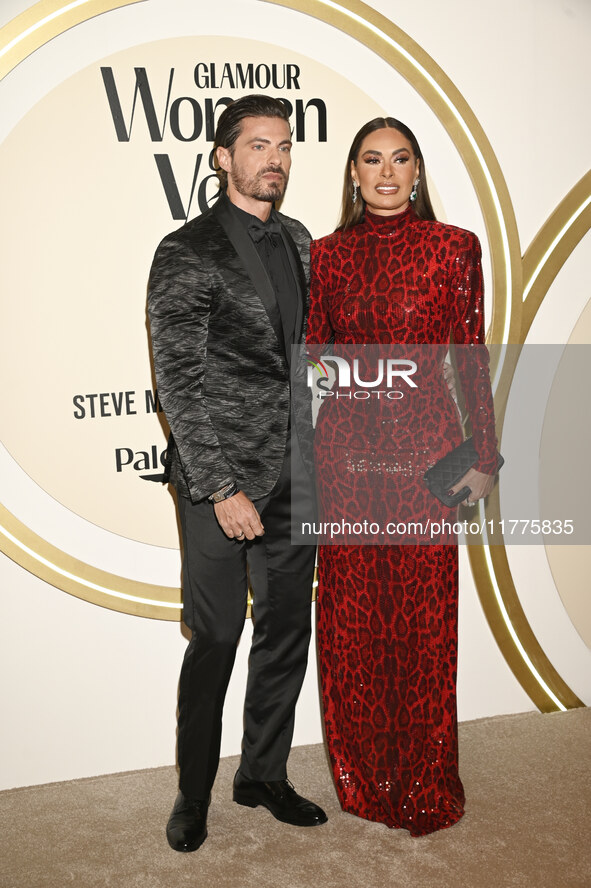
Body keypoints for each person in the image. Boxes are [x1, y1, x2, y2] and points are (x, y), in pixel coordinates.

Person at [306, 117, 499, 836]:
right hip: (346, 457)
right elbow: (312, 368)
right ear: (352, 174)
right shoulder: (323, 258)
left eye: (400, 159)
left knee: (423, 621)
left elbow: (469, 356)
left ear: (416, 171)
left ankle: (423, 775)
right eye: (370, 160)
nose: (385, 173)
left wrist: (484, 456)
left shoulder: (454, 249)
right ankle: (364, 776)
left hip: (428, 456)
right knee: (353, 623)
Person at [148, 94, 326, 853]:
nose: (274, 159)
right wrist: (222, 489)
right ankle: (193, 792)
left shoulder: (300, 238)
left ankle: (262, 773)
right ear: (223, 158)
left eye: (283, 145)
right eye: (257, 145)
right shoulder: (186, 249)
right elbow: (177, 382)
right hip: (218, 480)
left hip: (299, 473)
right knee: (216, 637)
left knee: (285, 632)